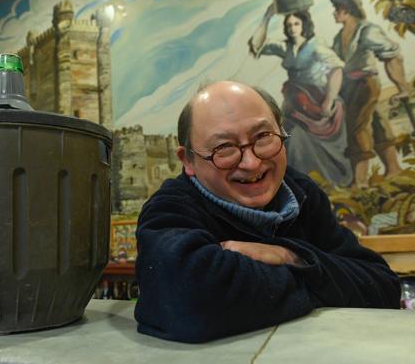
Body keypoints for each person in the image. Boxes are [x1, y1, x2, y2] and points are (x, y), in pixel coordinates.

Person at [133, 81, 401, 343]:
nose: (251, 163)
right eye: (224, 148)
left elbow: (381, 287)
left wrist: (290, 255)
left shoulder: (301, 193)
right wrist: (327, 281)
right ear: (188, 160)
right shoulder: (170, 208)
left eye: (262, 137)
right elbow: (188, 306)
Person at [249, 4, 352, 186]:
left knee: (300, 140)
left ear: (304, 25)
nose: (292, 28)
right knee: (291, 139)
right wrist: (267, 16)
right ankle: (307, 186)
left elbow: (336, 70)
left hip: (318, 105)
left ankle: (330, 183)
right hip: (297, 107)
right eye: (289, 25)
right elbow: (257, 44)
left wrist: (328, 101)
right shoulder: (286, 47)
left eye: (296, 24)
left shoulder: (315, 45)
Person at [329, 0, 410, 188]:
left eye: (336, 9)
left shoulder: (366, 30)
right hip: (349, 88)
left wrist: (402, 86)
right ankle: (393, 168)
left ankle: (361, 180)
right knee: (376, 124)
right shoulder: (340, 37)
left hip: (365, 84)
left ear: (345, 10)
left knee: (357, 127)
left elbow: (391, 53)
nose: (334, 13)